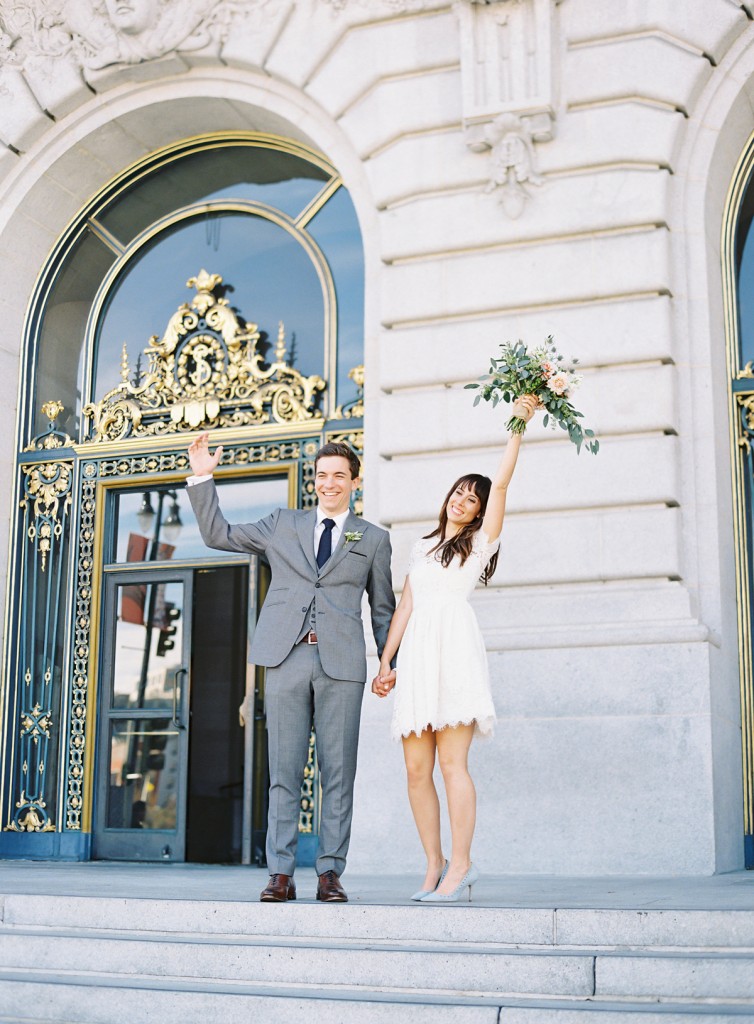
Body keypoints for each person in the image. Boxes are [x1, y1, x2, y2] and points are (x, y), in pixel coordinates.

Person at [186, 434, 395, 903]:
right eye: (322, 476)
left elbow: (383, 608)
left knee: (338, 773)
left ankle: (329, 874)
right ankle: (279, 874)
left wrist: (387, 664)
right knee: (284, 770)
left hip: (342, 664)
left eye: (339, 475)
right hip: (285, 658)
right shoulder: (281, 523)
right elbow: (217, 535)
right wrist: (203, 476)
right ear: (313, 481)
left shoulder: (374, 539)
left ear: (355, 482)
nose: (329, 483)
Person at [372, 395, 539, 903]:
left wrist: (518, 425)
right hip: (418, 655)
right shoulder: (422, 547)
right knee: (416, 769)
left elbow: (504, 481)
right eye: (459, 494)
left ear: (481, 512)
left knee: (451, 765)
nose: (461, 502)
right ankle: (434, 863)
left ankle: (462, 862)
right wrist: (385, 662)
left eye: (472, 499)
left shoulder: (481, 543)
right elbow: (404, 608)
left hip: (456, 651)